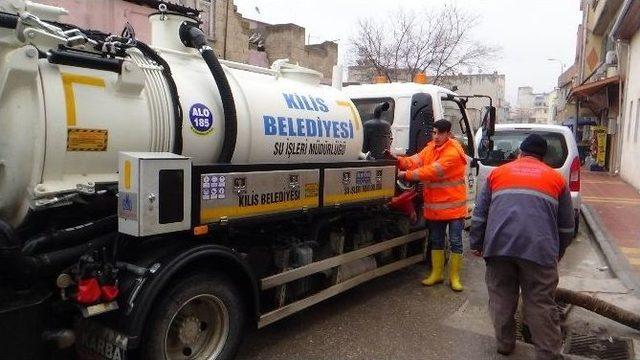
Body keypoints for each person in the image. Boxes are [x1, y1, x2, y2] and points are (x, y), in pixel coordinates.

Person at [470, 134, 574, 359]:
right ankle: (547, 353)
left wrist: (477, 243)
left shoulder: (497, 173)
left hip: (498, 247)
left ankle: (505, 344)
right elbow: (567, 226)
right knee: (540, 303)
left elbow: (480, 214)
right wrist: (559, 251)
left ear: (521, 152)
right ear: (543, 157)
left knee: (501, 297)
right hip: (539, 250)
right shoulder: (556, 179)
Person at [396, 119, 468, 292]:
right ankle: (437, 274)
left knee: (456, 242)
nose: (436, 137)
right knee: (436, 241)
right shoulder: (430, 148)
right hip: (436, 208)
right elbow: (415, 160)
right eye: (434, 133)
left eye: (440, 133)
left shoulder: (452, 153)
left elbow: (431, 171)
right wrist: (398, 160)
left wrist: (405, 175)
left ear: (448, 134)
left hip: (454, 208)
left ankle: (454, 278)